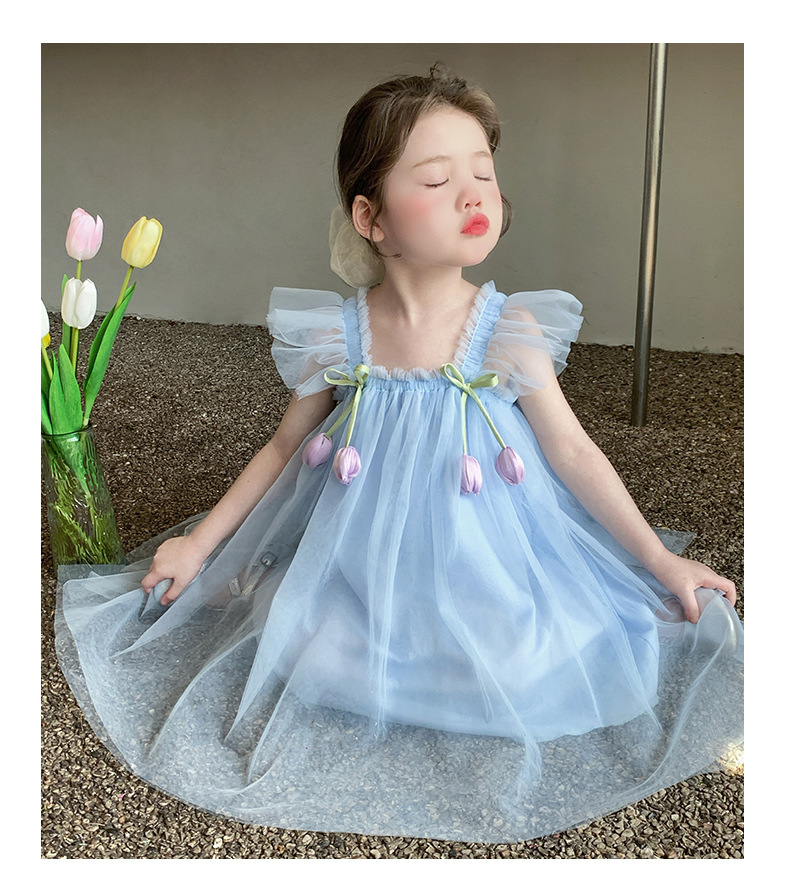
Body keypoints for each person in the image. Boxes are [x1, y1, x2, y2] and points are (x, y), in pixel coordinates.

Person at [55, 66, 743, 844]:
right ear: (371, 217)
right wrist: (202, 544)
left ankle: (460, 647)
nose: (474, 195)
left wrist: (658, 559)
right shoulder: (340, 335)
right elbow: (284, 447)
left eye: (484, 174)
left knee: (531, 665)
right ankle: (340, 619)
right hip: (371, 562)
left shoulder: (508, 331)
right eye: (439, 179)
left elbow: (574, 450)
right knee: (307, 645)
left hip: (486, 559)